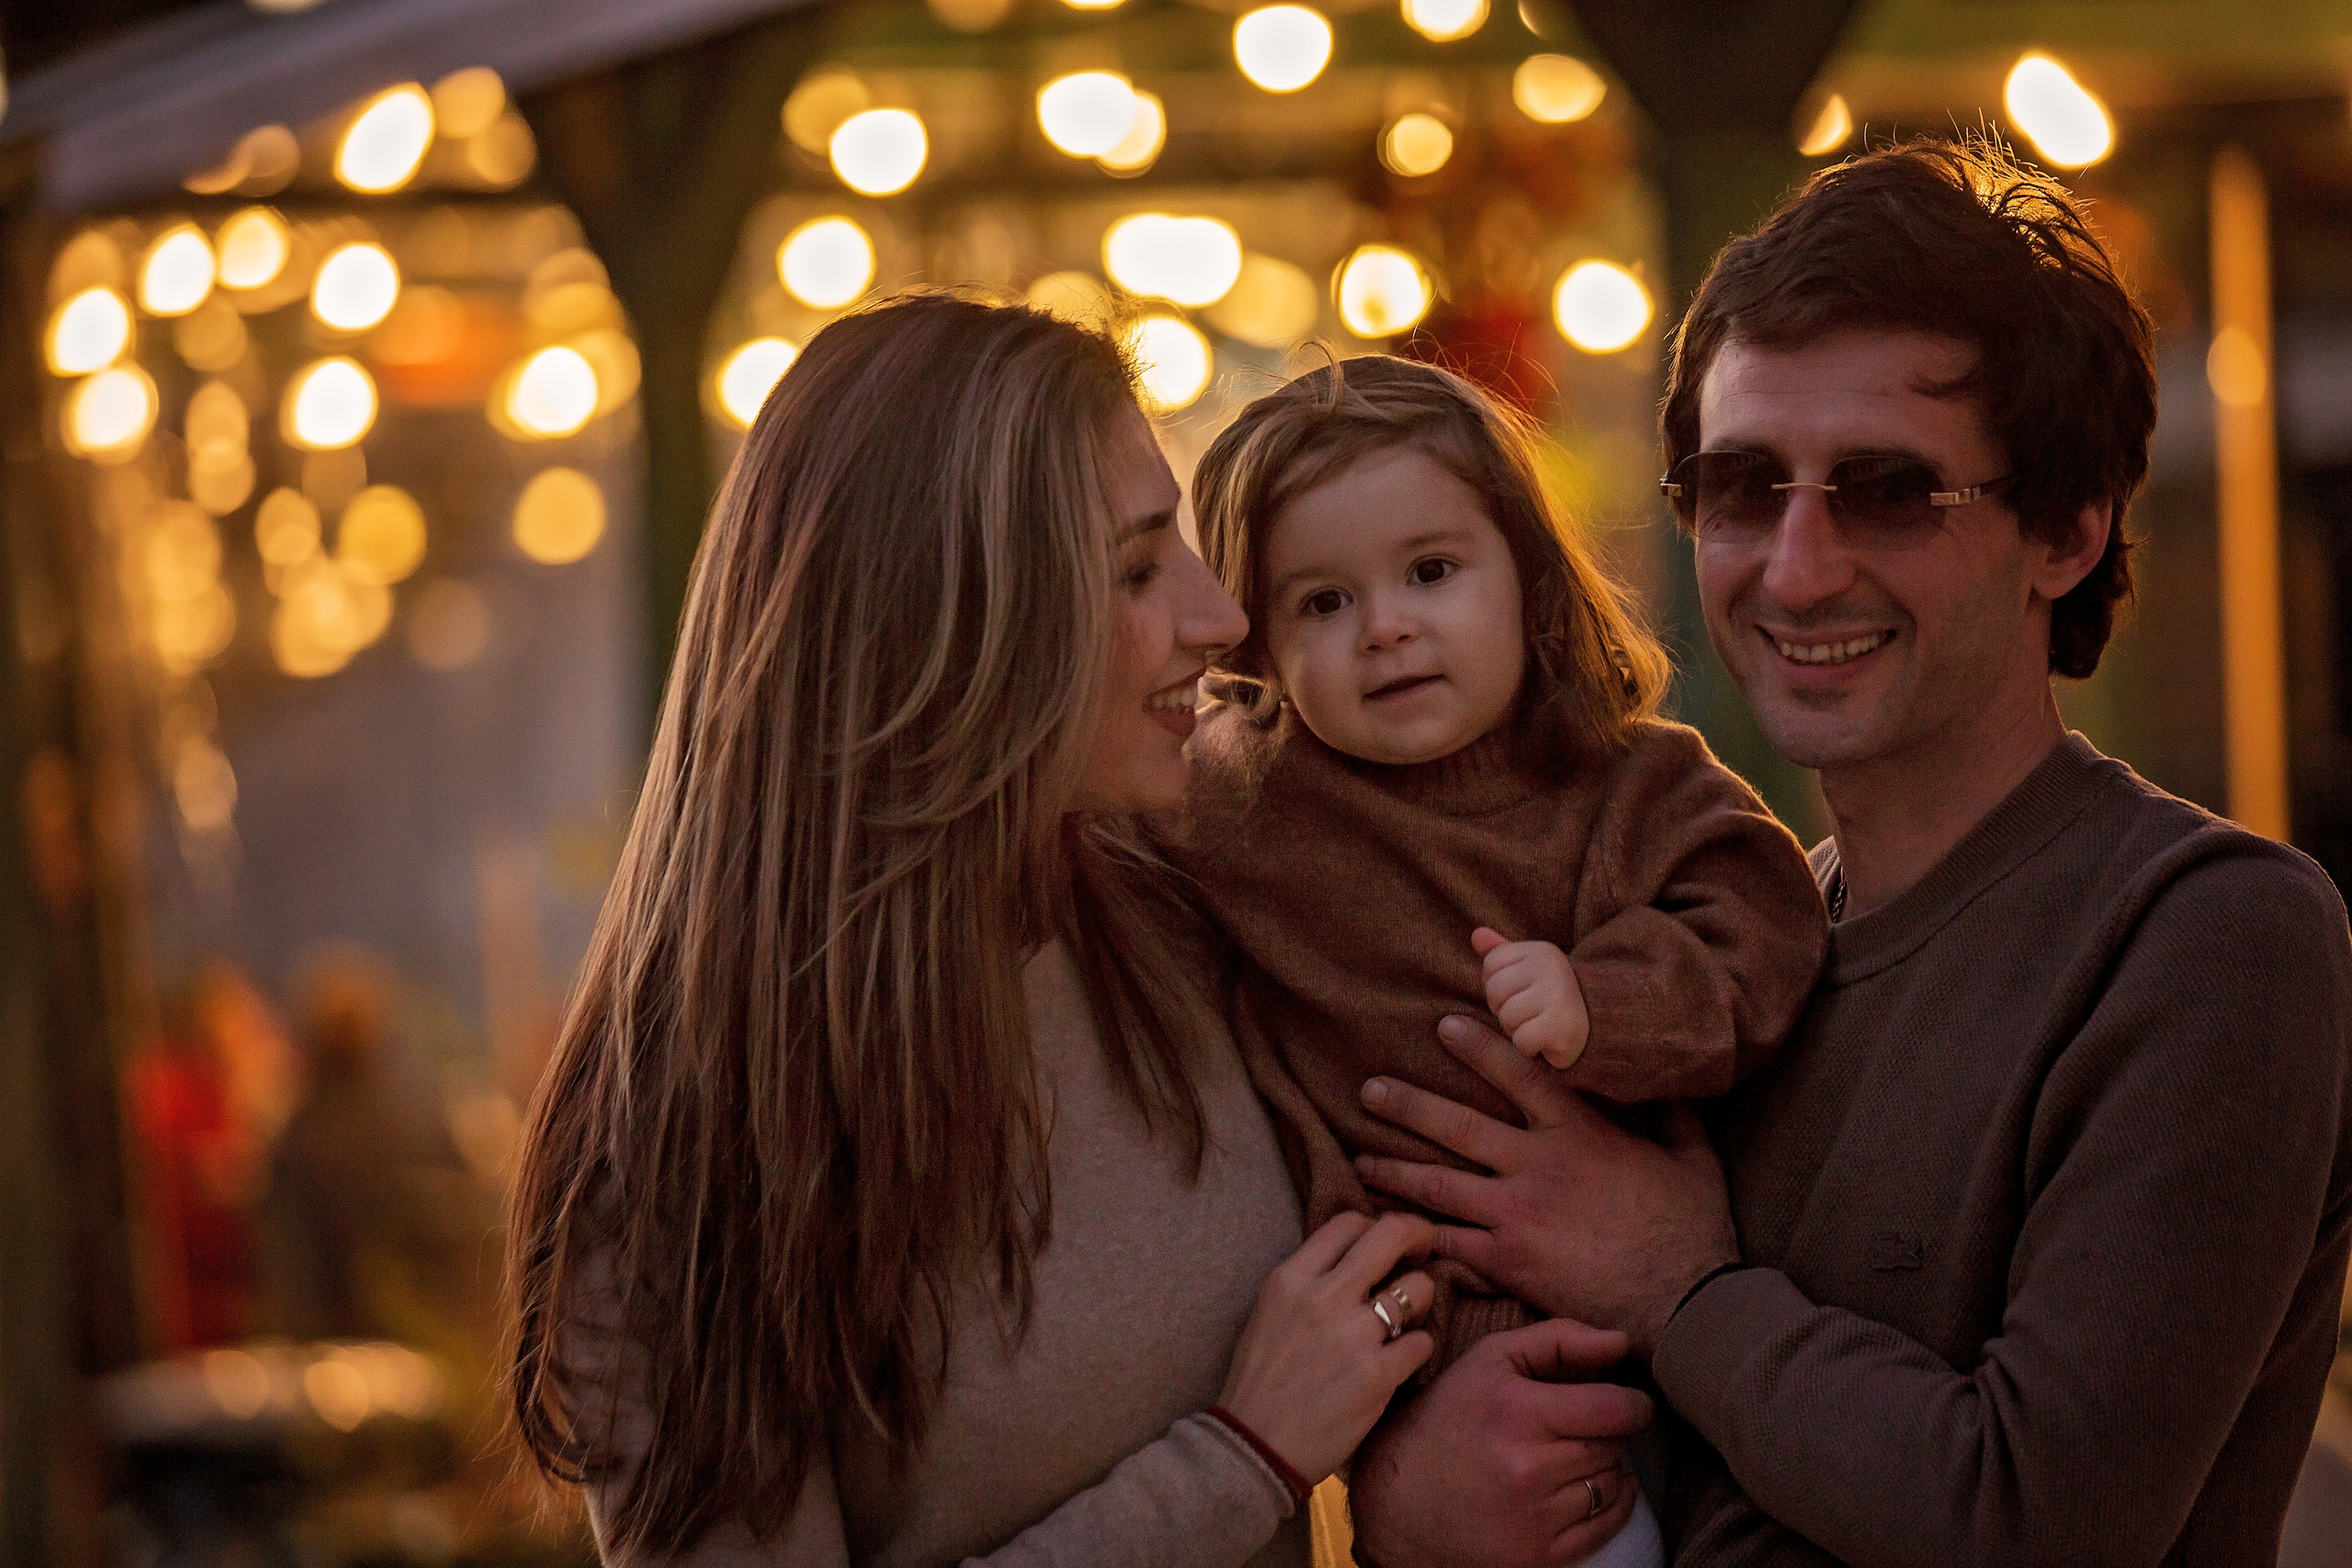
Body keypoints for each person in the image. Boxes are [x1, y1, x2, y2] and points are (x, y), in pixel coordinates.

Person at [503, 294, 1646, 1566]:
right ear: (965, 622)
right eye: (1142, 568)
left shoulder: (1193, 893)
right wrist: (1244, 1459)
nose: (1224, 622)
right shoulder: (684, 1146)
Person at [1340, 137, 2352, 1565]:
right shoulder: (1730, 959)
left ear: (2066, 530)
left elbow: (2038, 1521)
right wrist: (1392, 1503)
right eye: (1746, 487)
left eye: (1889, 492)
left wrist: (1678, 1289)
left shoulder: (2211, 936)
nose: (1798, 567)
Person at [1165, 357, 1829, 1560]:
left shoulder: (1627, 779)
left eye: (1430, 571)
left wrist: (1605, 1002)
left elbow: (1765, 926)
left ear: (1525, 579)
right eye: (1322, 602)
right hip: (1383, 1345)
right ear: (1255, 640)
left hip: (1601, 1337)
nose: (1386, 628)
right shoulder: (1244, 799)